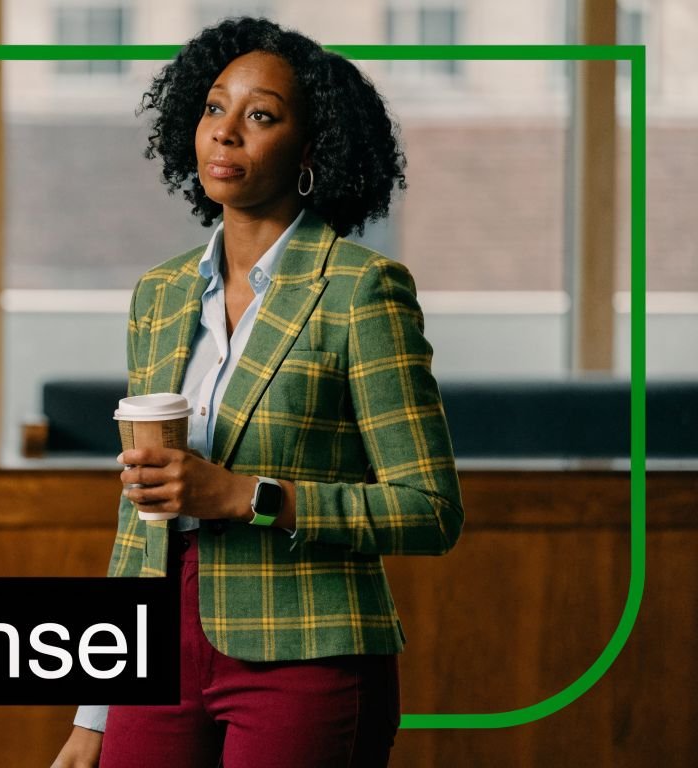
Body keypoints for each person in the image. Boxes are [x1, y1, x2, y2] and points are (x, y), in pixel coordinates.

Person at [50, 16, 464, 768]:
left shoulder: (360, 290)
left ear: (311, 151)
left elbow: (429, 509)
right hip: (160, 644)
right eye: (213, 109)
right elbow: (137, 515)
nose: (226, 134)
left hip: (307, 650)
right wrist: (95, 711)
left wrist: (248, 496)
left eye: (260, 116)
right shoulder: (162, 294)